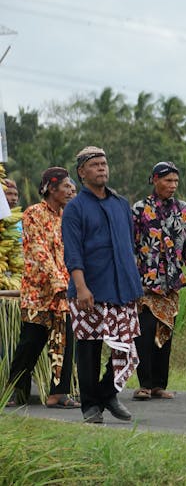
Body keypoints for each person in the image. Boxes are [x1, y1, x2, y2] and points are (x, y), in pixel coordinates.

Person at [62, 146, 143, 423]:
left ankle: (108, 392)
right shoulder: (74, 208)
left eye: (104, 163)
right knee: (89, 347)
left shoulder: (120, 204)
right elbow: (72, 252)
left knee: (126, 345)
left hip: (123, 288)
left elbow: (128, 246)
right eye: (95, 164)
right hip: (90, 289)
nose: (102, 168)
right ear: (82, 172)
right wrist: (81, 288)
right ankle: (90, 406)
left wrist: (135, 287)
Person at [7, 169, 79, 409]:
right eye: (66, 186)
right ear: (51, 188)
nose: (71, 190)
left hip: (63, 294)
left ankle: (58, 393)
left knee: (64, 342)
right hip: (39, 294)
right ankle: (15, 392)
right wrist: (58, 281)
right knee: (30, 345)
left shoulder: (67, 217)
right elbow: (39, 251)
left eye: (72, 187)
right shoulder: (33, 214)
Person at [132, 161, 186, 401]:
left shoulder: (184, 210)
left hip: (172, 282)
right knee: (144, 331)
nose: (172, 186)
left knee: (165, 330)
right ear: (154, 180)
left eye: (175, 181)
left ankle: (159, 385)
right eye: (167, 180)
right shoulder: (140, 209)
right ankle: (144, 384)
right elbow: (131, 246)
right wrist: (131, 279)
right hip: (145, 282)